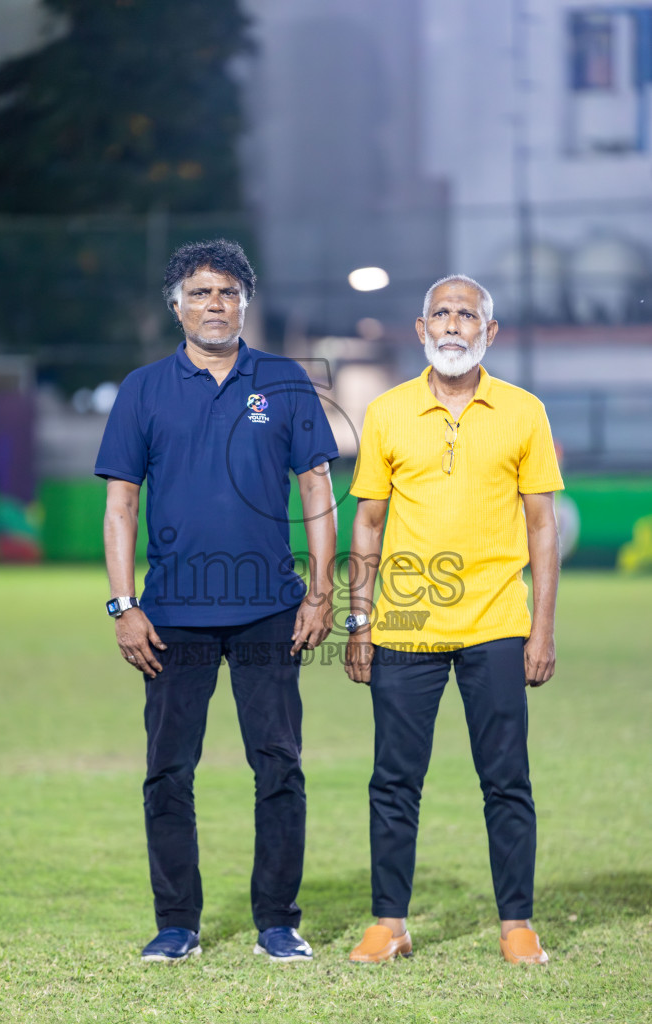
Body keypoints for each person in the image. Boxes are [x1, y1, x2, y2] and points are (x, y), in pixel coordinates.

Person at [95, 239, 338, 963]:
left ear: (245, 304)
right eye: (199, 293)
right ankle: (177, 924)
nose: (213, 304)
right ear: (177, 306)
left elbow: (318, 490)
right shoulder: (142, 388)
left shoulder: (285, 381)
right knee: (169, 769)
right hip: (170, 616)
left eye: (227, 292)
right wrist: (122, 604)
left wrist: (320, 594)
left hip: (269, 608)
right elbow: (120, 505)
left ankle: (277, 922)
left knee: (279, 766)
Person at [344, 274, 563, 965]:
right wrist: (358, 621)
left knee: (505, 779)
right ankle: (389, 922)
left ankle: (516, 923)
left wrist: (542, 629)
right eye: (439, 312)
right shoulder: (384, 412)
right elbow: (368, 522)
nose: (451, 323)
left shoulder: (524, 412)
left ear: (487, 333)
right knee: (393, 779)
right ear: (419, 329)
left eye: (465, 314)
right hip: (404, 625)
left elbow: (541, 528)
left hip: (496, 622)